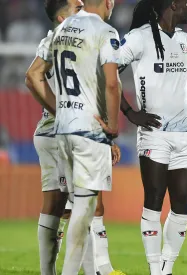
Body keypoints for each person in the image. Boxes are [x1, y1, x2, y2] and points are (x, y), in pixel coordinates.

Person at [25, 1, 119, 274]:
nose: (80, 7)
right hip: (82, 129)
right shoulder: (99, 32)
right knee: (86, 205)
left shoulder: (56, 33)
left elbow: (33, 74)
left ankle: (58, 271)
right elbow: (111, 83)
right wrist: (112, 126)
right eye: (75, 5)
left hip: (56, 129)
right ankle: (94, 269)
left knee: (60, 205)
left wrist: (61, 111)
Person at [118, 0, 187, 274]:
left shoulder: (185, 40)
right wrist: (131, 113)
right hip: (154, 134)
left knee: (183, 201)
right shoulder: (138, 38)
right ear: (172, 4)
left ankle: (166, 269)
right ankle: (154, 268)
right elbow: (107, 72)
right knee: (155, 197)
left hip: (184, 136)